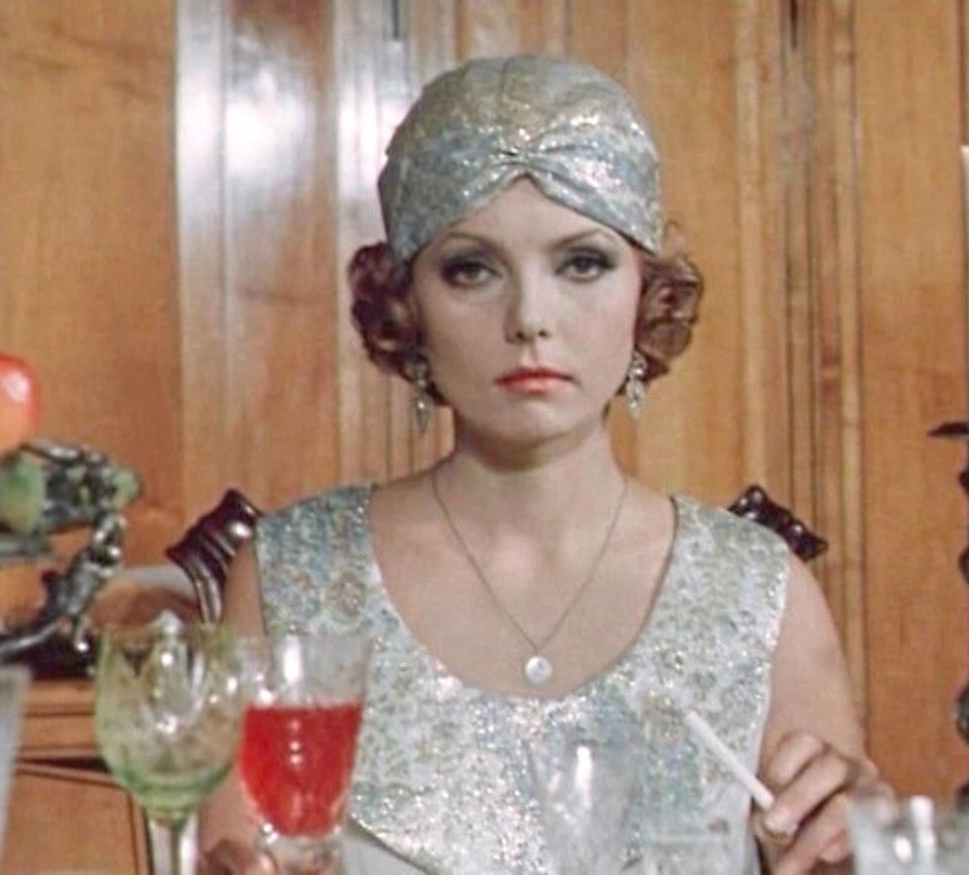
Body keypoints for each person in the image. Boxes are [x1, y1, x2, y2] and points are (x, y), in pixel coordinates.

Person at [201, 54, 882, 875]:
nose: (529, 316)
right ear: (406, 305)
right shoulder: (295, 576)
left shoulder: (756, 592)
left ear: (647, 293)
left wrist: (859, 846)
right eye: (471, 269)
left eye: (581, 263)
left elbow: (835, 854)